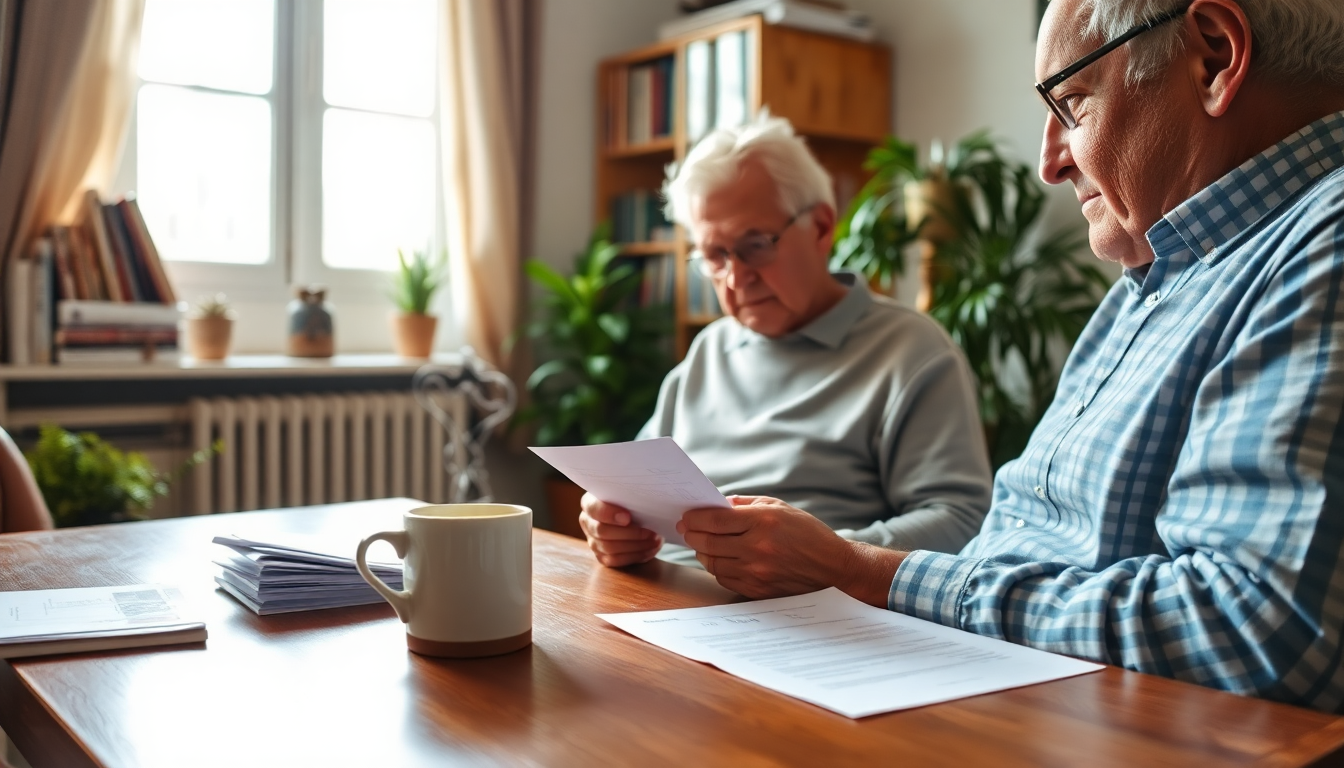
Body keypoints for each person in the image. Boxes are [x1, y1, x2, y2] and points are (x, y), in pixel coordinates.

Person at [670, 0, 1344, 709]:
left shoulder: (1321, 244)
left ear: (1213, 57)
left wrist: (865, 571)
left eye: (1072, 103)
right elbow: (1013, 544)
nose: (1050, 163)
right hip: (971, 677)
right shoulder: (1150, 282)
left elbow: (1257, 629)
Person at [578, 114, 994, 570]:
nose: (736, 277)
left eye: (755, 244)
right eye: (715, 256)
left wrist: (823, 556)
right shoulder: (709, 350)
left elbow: (962, 522)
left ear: (820, 227)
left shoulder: (911, 351)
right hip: (667, 600)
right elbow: (628, 490)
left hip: (804, 614)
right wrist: (611, 522)